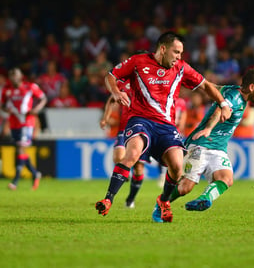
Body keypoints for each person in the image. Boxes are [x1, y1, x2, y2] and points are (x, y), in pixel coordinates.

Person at [94, 31, 232, 223]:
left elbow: (206, 86)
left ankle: (164, 201)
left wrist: (224, 104)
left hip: (166, 126)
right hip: (140, 119)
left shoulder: (182, 68)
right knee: (132, 154)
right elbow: (111, 76)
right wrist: (116, 92)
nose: (179, 57)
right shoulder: (138, 61)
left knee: (177, 167)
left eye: (181, 53)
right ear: (163, 49)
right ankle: (108, 199)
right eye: (176, 52)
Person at [164, 69, 254, 212]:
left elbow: (215, 89)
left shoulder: (232, 90)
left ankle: (204, 199)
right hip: (202, 143)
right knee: (184, 188)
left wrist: (198, 83)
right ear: (251, 87)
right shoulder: (235, 99)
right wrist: (208, 128)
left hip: (218, 147)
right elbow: (220, 110)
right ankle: (161, 203)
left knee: (226, 178)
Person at [100, 79, 145, 209]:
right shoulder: (122, 84)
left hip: (142, 129)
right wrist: (105, 118)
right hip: (125, 129)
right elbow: (111, 100)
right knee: (118, 157)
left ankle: (130, 199)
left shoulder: (148, 83)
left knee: (138, 169)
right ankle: (124, 174)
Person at [1, 68, 47, 190]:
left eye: (15, 75)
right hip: (14, 123)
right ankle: (35, 173)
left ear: (21, 76)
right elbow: (3, 106)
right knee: (20, 150)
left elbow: (43, 98)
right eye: (11, 76)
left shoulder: (30, 87)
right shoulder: (6, 90)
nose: (13, 78)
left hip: (27, 122)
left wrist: (35, 110)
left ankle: (15, 181)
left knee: (21, 149)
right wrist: (7, 110)